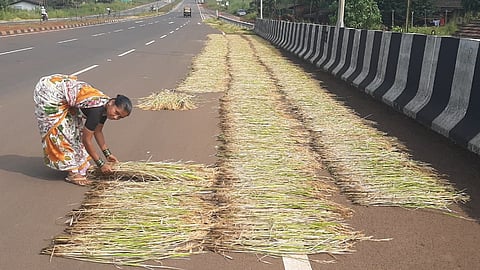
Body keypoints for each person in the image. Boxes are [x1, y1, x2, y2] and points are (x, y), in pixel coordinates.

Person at [33, 74, 132, 186]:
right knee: (61, 132)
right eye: (116, 113)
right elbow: (86, 140)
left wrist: (108, 154)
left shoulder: (105, 108)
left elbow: (98, 131)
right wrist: (100, 164)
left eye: (120, 117)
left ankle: (77, 164)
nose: (115, 117)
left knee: (74, 130)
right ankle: (72, 173)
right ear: (112, 102)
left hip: (63, 95)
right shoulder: (97, 110)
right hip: (50, 93)